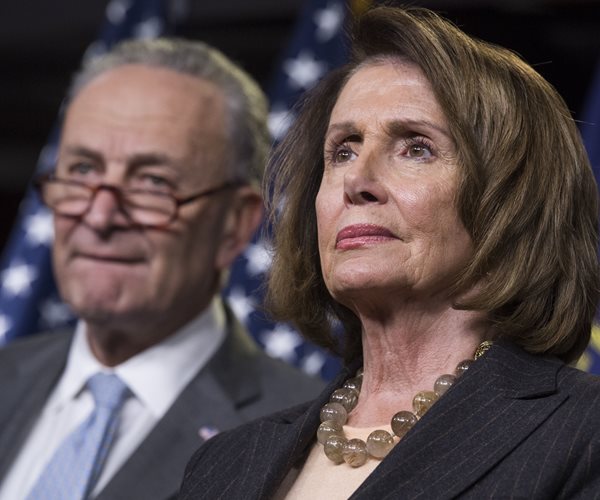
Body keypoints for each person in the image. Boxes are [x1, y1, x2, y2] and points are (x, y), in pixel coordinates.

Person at [179, 6, 600, 499]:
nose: (357, 180)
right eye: (343, 150)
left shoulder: (582, 433)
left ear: (514, 201)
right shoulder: (224, 462)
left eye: (416, 148)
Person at [0, 38, 324, 500]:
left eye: (153, 182)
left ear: (234, 224)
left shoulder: (303, 438)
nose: (99, 216)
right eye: (83, 170)